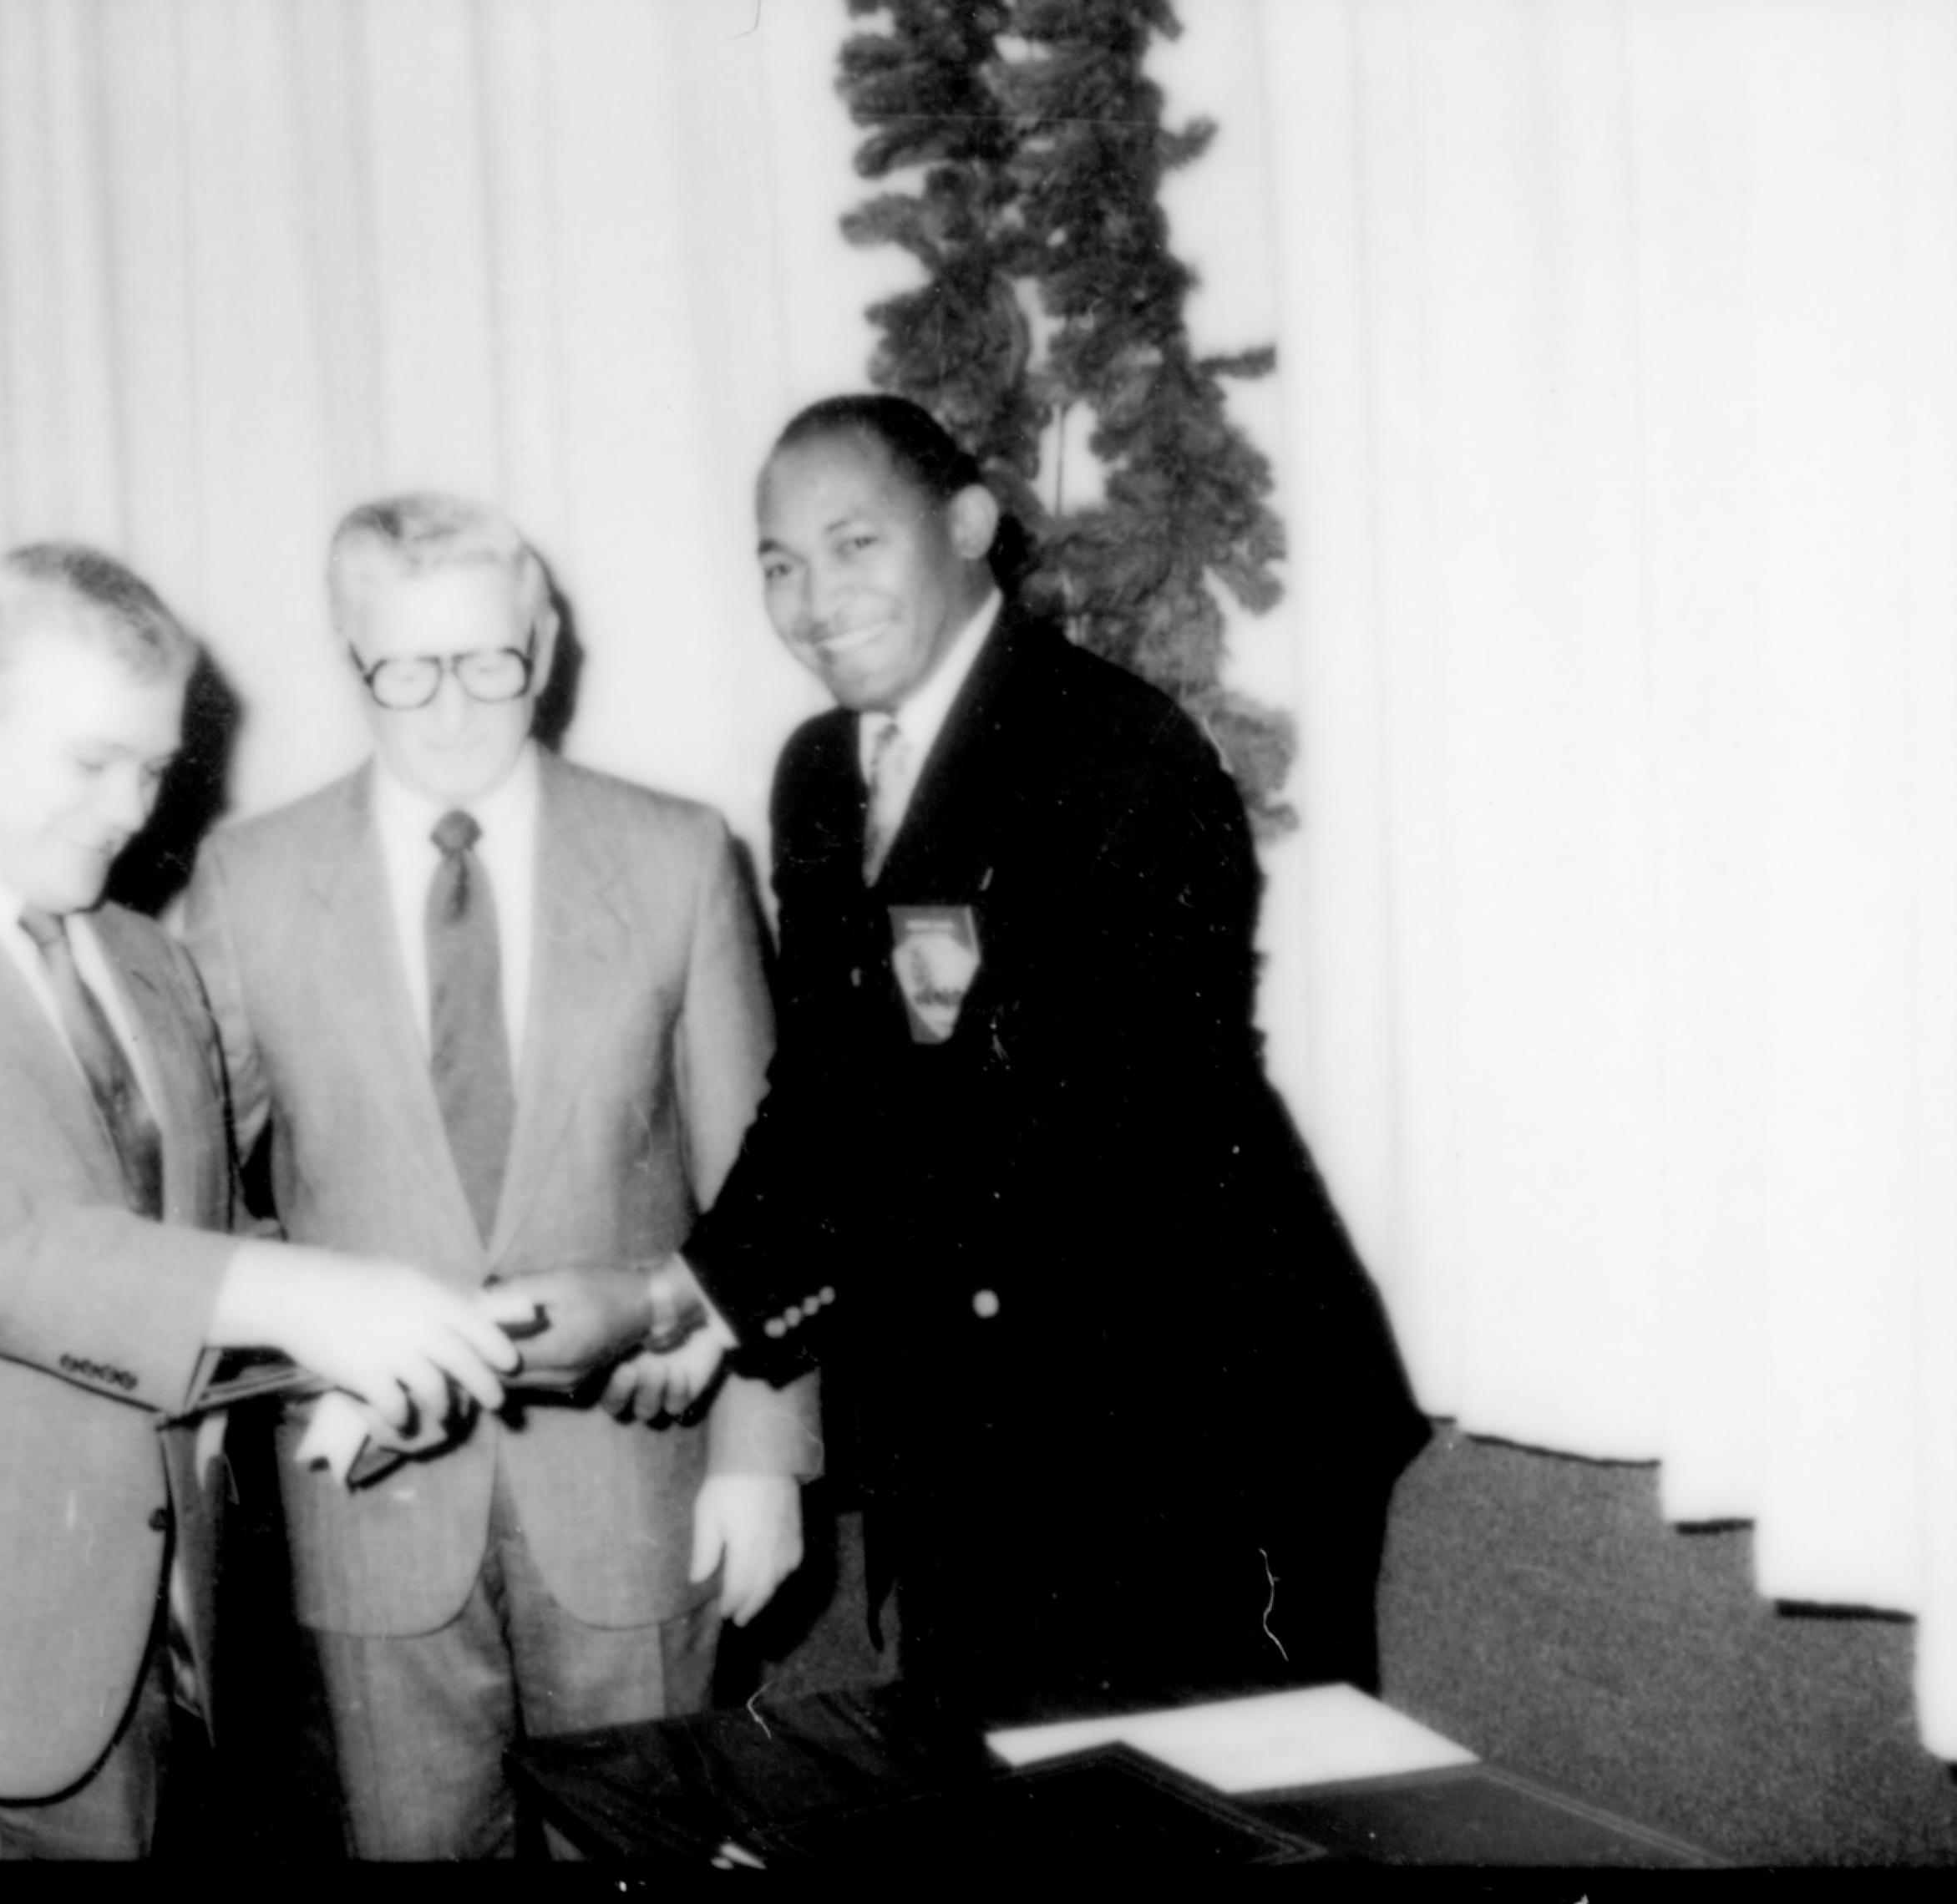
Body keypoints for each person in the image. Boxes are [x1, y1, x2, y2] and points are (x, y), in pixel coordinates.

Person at [571, 395, 1426, 1724]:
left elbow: (1039, 1128)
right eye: (780, 566)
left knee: (1213, 1832)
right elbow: (832, 1083)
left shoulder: (1113, 752)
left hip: (1197, 1420)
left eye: (854, 544)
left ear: (969, 525)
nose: (814, 599)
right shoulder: (820, 775)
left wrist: (701, 1298)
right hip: (984, 1421)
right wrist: (698, 1287)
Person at [0, 543, 524, 1860]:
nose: (130, 808)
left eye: (152, 766)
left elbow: (189, 1249)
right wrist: (298, 1298)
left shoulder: (146, 963)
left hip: (116, 1678)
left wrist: (364, 1342)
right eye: (90, 762)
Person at [179, 494, 819, 1859]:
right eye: (405, 671)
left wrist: (764, 1459)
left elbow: (773, 1182)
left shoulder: (677, 858)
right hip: (373, 1494)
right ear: (351, 660)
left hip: (637, 1481)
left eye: (489, 660)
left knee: (647, 1853)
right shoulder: (251, 880)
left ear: (545, 636)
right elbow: (184, 1188)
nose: (455, 706)